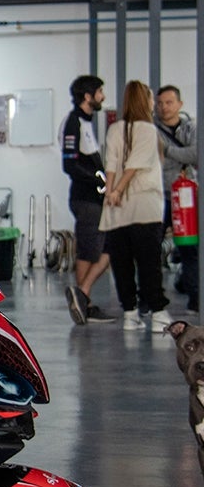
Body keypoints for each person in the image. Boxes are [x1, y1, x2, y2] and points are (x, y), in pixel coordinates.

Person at [99, 80, 170, 330]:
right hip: (144, 206)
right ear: (144, 101)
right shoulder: (149, 130)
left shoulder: (114, 129)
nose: (154, 103)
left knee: (122, 263)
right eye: (151, 98)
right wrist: (118, 189)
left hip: (117, 208)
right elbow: (135, 165)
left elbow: (111, 162)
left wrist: (111, 192)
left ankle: (130, 313)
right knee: (149, 262)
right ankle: (158, 313)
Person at [61, 75, 113, 325]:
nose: (103, 96)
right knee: (89, 251)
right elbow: (69, 165)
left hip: (95, 199)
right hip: (86, 200)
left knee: (103, 250)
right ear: (88, 96)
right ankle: (84, 302)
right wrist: (98, 180)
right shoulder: (73, 123)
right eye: (100, 91)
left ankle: (82, 297)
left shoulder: (86, 122)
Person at [156, 84, 198, 313]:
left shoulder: (191, 128)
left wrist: (168, 150)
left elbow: (195, 154)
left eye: (169, 102)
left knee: (190, 250)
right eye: (160, 103)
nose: (164, 108)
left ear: (179, 104)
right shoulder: (151, 130)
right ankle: (150, 299)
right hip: (159, 196)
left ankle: (195, 298)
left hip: (185, 199)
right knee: (152, 249)